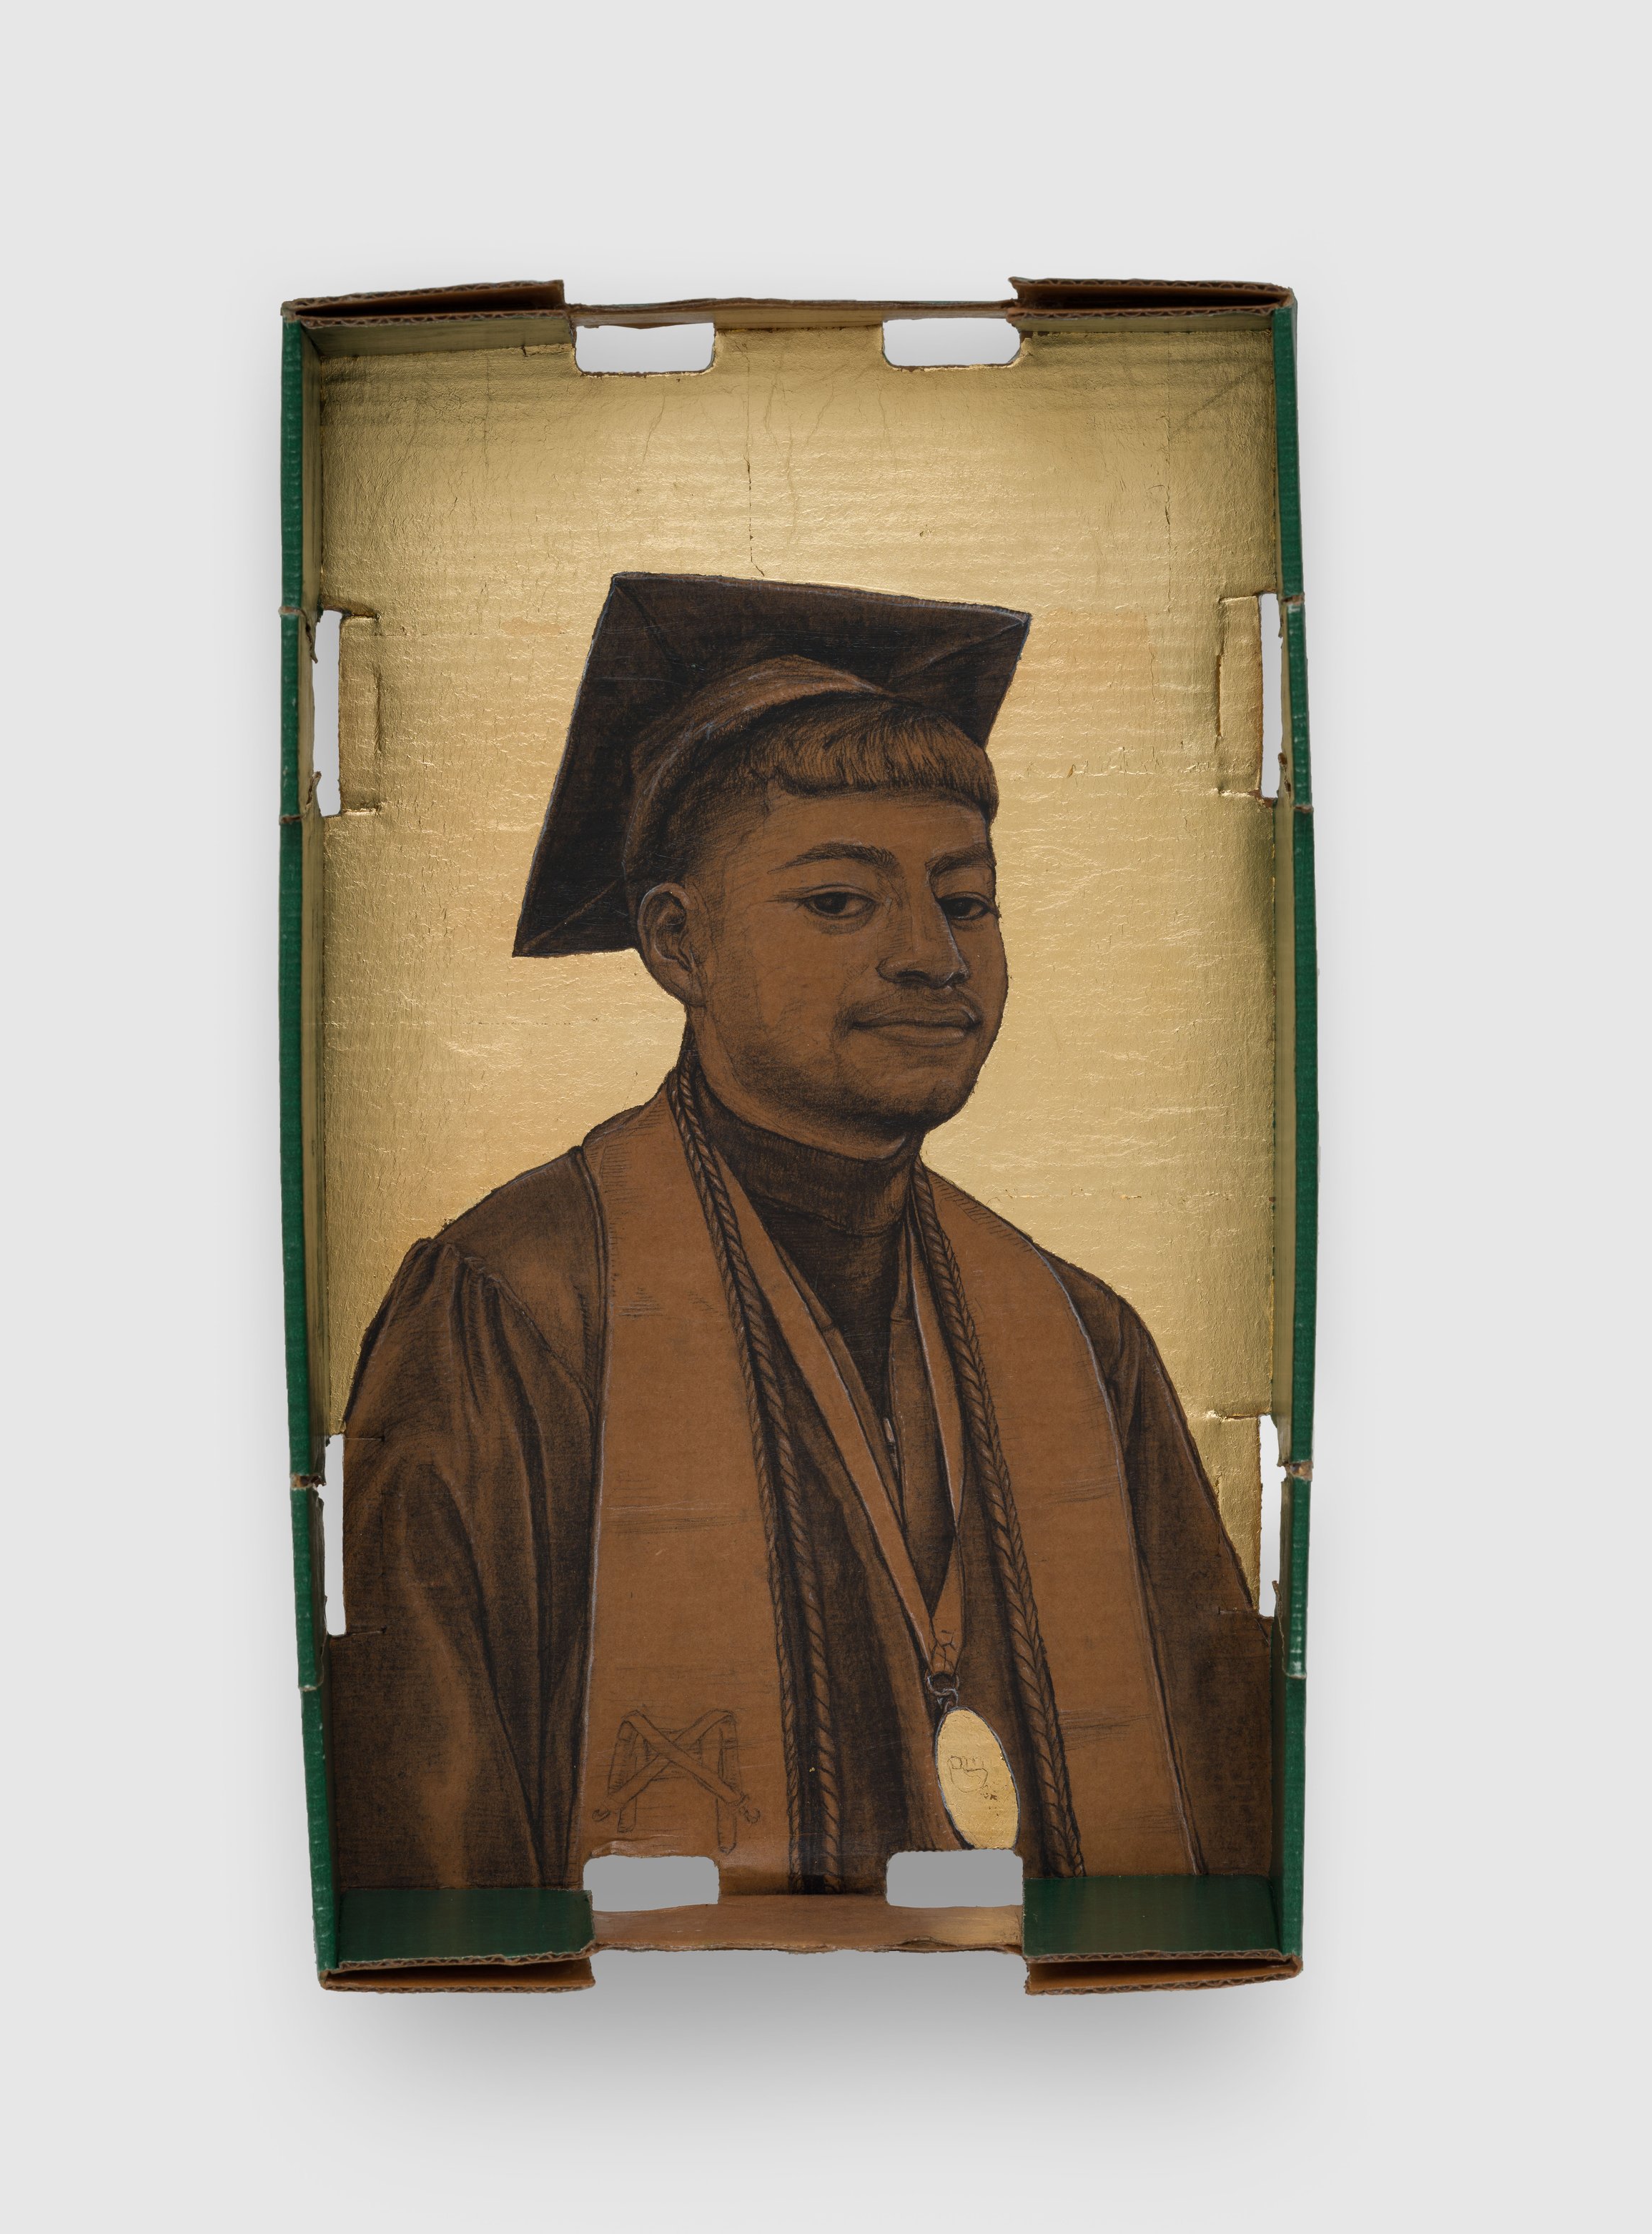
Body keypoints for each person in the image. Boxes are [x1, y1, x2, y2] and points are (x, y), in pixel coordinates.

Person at [329, 573, 1270, 1898]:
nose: (933, 955)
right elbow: (429, 1866)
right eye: (840, 901)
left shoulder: (1081, 1337)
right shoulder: (517, 1306)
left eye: (967, 900)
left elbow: (1230, 1818)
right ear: (678, 942)